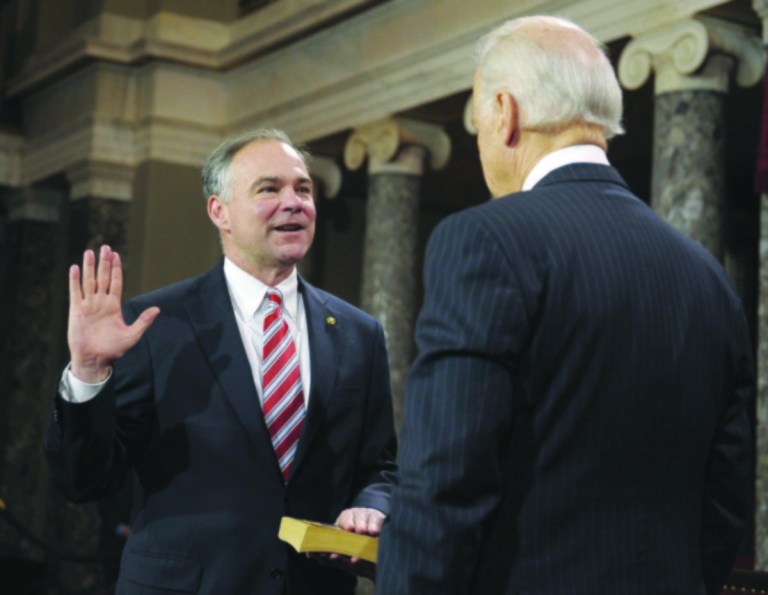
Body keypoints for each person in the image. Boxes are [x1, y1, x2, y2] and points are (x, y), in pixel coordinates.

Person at [376, 15, 754, 595]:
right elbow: (725, 500)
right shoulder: (706, 276)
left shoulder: (485, 241)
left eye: (478, 120)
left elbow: (445, 483)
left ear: (506, 113)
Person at [45, 128, 397, 595]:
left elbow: (381, 467)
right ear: (220, 212)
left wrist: (372, 505)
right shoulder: (156, 325)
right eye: (269, 189)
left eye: (303, 189)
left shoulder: (359, 333)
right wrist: (88, 374)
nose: (294, 202)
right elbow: (84, 480)